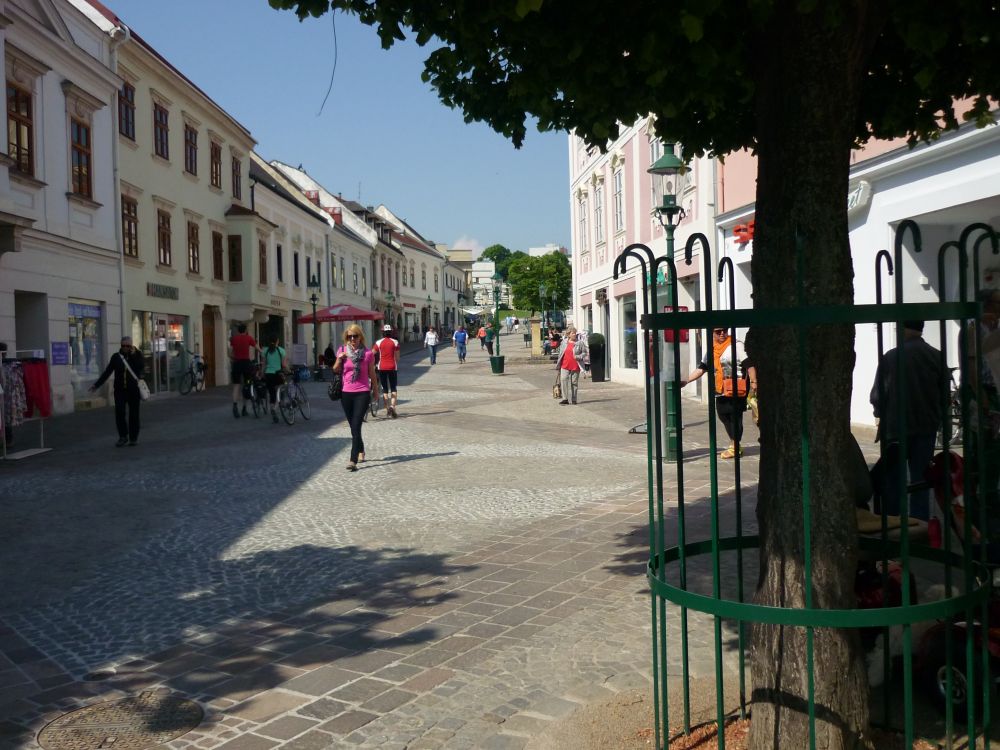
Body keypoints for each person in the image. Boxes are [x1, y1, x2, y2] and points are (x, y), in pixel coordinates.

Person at [870, 320, 946, 522]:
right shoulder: (937, 356)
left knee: (893, 478)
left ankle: (893, 520)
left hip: (896, 427)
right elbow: (945, 395)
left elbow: (878, 394)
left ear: (903, 329)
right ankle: (919, 521)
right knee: (921, 478)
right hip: (926, 426)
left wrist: (879, 413)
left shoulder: (891, 357)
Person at [681, 327, 757, 459]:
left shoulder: (736, 345)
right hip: (720, 388)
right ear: (712, 333)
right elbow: (702, 369)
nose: (722, 333)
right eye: (718, 331)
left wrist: (754, 383)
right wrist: (686, 381)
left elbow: (749, 365)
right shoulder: (712, 349)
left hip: (736, 388)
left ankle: (735, 446)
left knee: (734, 416)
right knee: (722, 415)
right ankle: (735, 443)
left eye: (725, 330)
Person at [332, 324, 379, 471]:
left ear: (360, 337)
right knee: (353, 426)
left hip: (362, 392)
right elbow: (335, 369)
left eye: (355, 336)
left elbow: (372, 373)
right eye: (349, 336)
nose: (352, 339)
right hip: (346, 392)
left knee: (357, 424)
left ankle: (353, 460)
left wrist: (375, 390)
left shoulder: (367, 354)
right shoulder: (342, 350)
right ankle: (361, 449)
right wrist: (339, 359)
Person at [90, 336, 145, 447]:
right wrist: (96, 385)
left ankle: (133, 437)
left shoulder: (137, 355)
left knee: (134, 415)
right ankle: (123, 436)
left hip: (134, 390)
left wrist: (133, 355)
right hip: (120, 391)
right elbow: (107, 372)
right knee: (119, 413)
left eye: (127, 346)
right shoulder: (116, 357)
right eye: (123, 346)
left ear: (131, 345)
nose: (125, 348)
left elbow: (140, 367)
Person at [229, 323, 259, 418]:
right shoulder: (249, 338)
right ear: (245, 330)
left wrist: (233, 358)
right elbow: (257, 347)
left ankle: (234, 406)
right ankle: (244, 408)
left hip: (236, 363)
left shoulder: (233, 339)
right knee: (247, 385)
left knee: (236, 386)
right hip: (246, 364)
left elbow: (229, 352)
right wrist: (263, 352)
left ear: (238, 331)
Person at [374, 324, 401, 417]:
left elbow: (372, 353)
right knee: (393, 388)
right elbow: (397, 358)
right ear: (391, 332)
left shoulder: (378, 342)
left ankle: (387, 409)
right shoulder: (395, 342)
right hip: (392, 367)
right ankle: (393, 407)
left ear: (382, 333)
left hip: (382, 367)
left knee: (385, 389)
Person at [555, 327, 587, 404]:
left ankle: (574, 399)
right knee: (563, 380)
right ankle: (565, 399)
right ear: (568, 334)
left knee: (574, 383)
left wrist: (578, 357)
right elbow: (561, 353)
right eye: (573, 333)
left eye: (575, 333)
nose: (574, 334)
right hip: (564, 365)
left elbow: (585, 353)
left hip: (575, 366)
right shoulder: (564, 342)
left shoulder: (580, 343)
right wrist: (559, 365)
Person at [261, 336, 288, 424]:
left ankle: (272, 408)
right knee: (281, 388)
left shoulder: (265, 351)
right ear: (278, 341)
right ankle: (275, 408)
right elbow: (284, 365)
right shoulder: (281, 350)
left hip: (268, 374)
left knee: (271, 393)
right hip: (278, 374)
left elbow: (264, 364)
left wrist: (262, 373)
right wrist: (289, 370)